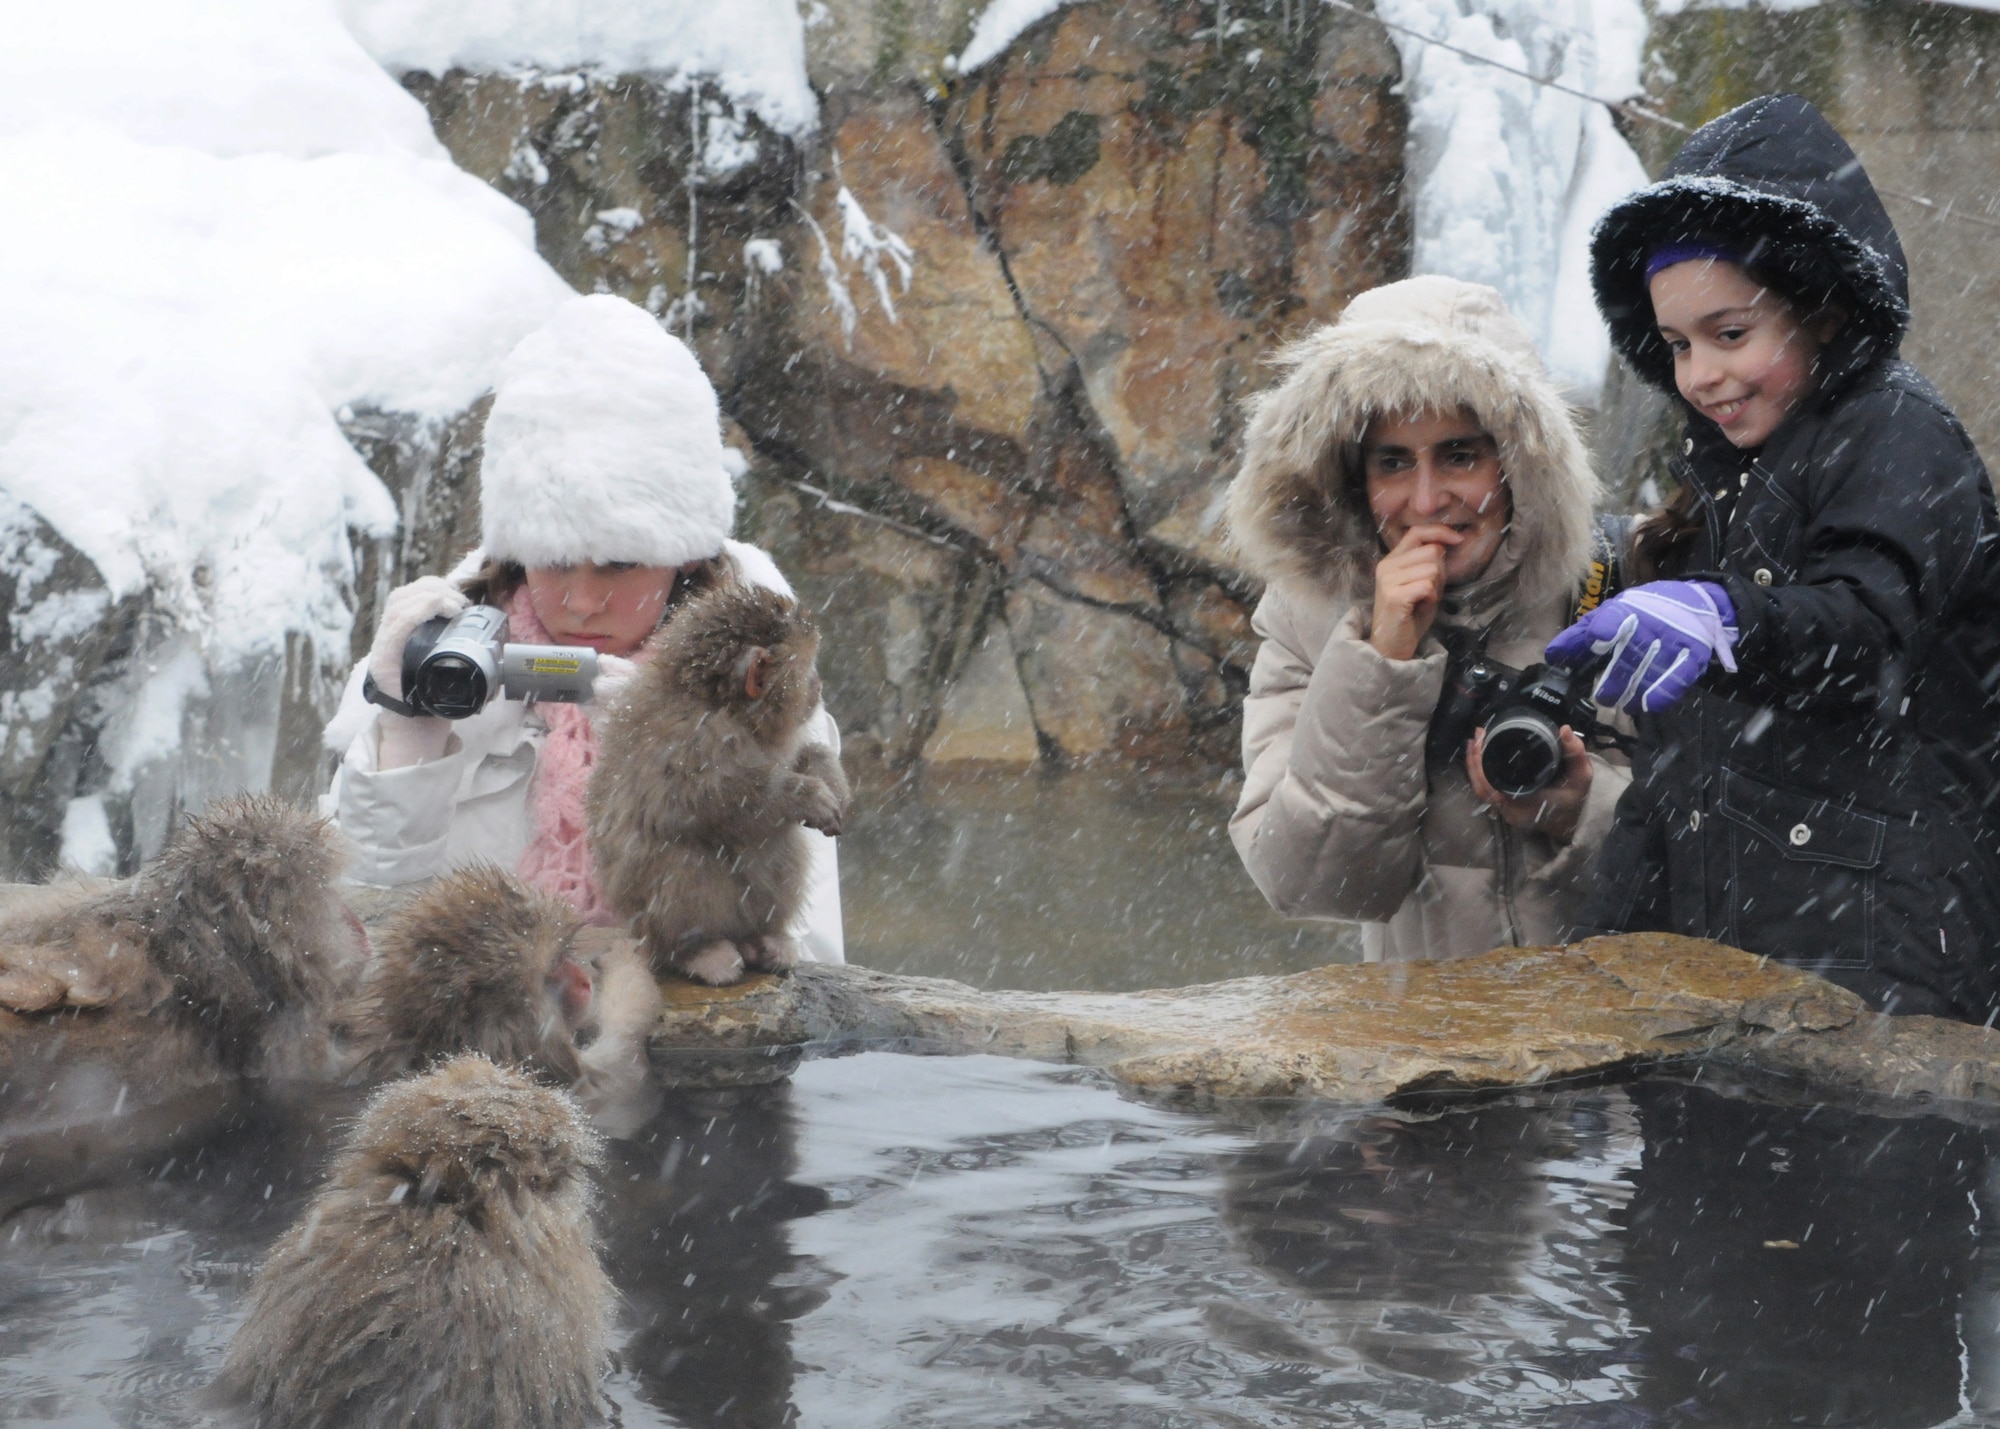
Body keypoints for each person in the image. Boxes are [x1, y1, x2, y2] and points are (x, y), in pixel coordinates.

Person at [1552, 93, 2000, 1019]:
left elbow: (1867, 628)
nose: (1700, 375)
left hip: (1888, 970)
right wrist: (1591, 974)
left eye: (1730, 334)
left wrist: (1726, 620)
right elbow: (1672, 789)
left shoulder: (1900, 436)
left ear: (1824, 314)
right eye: (1676, 344)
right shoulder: (1725, 481)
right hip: (1743, 975)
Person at [322, 294, 844, 963]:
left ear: (684, 556)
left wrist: (677, 757)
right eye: (556, 560)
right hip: (484, 1040)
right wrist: (408, 744)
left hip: (685, 1052)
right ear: (515, 550)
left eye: (621, 564)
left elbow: (809, 954)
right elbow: (352, 946)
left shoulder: (760, 683)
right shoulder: (438, 662)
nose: (584, 599)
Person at [1225, 275, 1627, 963]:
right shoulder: (1310, 618)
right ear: (1353, 481)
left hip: (1621, 1035)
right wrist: (1382, 660)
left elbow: (1714, 857)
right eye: (1392, 462)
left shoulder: (1625, 585)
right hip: (1422, 1048)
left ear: (1521, 463)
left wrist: (1578, 811)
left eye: (1460, 455)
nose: (1427, 498)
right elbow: (1316, 883)